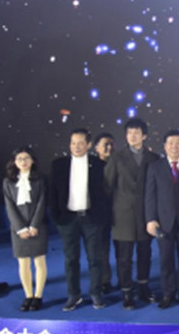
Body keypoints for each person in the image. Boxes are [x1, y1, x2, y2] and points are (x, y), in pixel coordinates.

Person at [50, 129, 110, 311]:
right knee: (71, 259)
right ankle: (73, 295)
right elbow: (52, 193)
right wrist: (57, 217)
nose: (76, 146)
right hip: (68, 219)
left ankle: (95, 293)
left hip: (92, 219)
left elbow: (106, 192)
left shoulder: (99, 165)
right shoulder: (58, 165)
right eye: (73, 143)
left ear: (89, 145)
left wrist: (103, 217)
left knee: (95, 258)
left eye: (80, 143)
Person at [104, 118, 159, 310]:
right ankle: (126, 291)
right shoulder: (116, 158)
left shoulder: (154, 158)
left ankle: (143, 286)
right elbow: (107, 187)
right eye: (129, 133)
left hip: (146, 214)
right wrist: (110, 215)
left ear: (144, 136)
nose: (132, 136)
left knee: (145, 253)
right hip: (122, 215)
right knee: (124, 257)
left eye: (136, 133)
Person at [144, 130, 179, 308]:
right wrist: (151, 219)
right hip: (163, 221)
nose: (174, 147)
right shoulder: (155, 167)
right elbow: (150, 196)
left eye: (178, 143)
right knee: (165, 259)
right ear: (165, 146)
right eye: (170, 143)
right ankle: (168, 293)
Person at [4, 147, 48, 312]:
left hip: (38, 226)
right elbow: (9, 206)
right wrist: (20, 228)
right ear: (14, 162)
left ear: (33, 160)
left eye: (26, 158)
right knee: (23, 263)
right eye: (19, 159)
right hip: (18, 229)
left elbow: (42, 203)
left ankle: (38, 296)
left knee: (39, 261)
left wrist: (34, 225)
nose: (23, 161)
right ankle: (28, 295)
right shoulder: (8, 182)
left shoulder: (40, 180)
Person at [93, 132, 115, 294]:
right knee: (101, 248)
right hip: (100, 213)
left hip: (119, 211)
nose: (109, 147)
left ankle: (125, 280)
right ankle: (104, 280)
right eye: (105, 144)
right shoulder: (92, 166)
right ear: (96, 147)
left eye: (111, 144)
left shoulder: (118, 163)